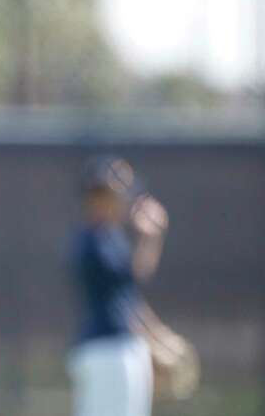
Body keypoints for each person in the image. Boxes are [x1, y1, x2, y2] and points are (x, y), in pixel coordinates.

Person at [66, 156, 169, 416]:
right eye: (117, 193)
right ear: (99, 197)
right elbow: (133, 280)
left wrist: (159, 341)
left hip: (116, 351)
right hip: (108, 353)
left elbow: (127, 299)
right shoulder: (93, 240)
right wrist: (151, 237)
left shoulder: (111, 237)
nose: (124, 200)